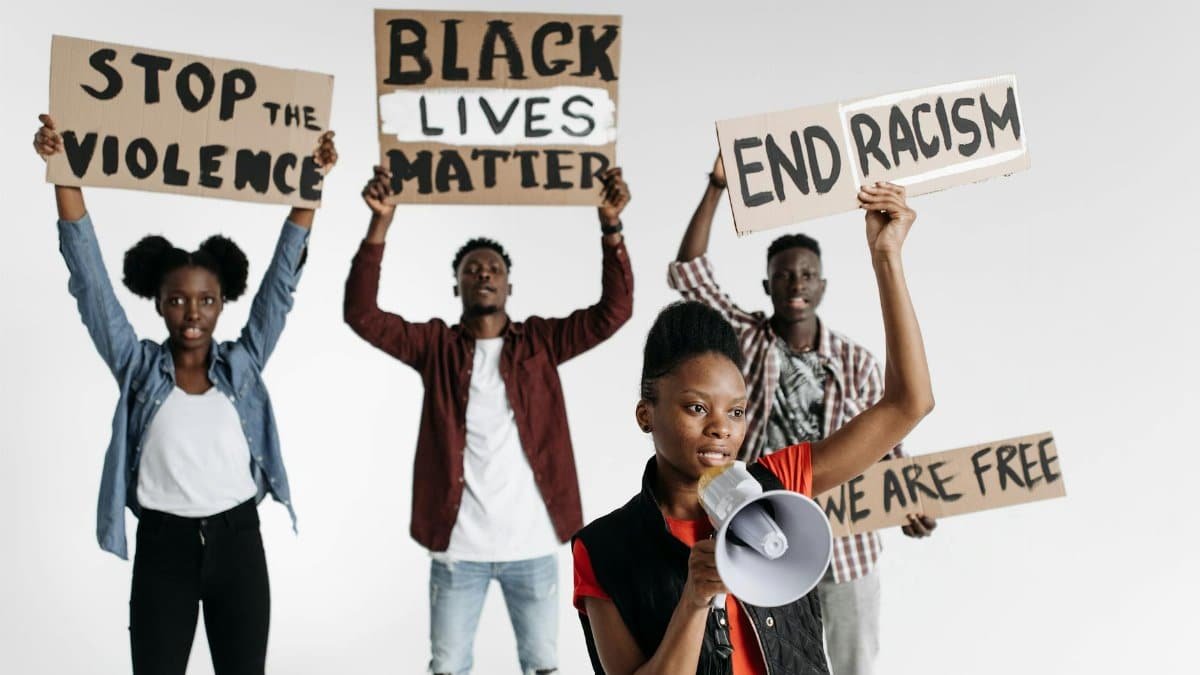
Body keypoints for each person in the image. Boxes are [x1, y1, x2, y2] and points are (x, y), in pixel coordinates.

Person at [574, 182, 934, 674]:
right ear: (646, 415)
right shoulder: (603, 549)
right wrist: (695, 600)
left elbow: (908, 403)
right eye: (697, 409)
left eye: (737, 412)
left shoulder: (778, 484)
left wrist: (886, 256)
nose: (721, 429)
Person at [34, 113, 337, 675]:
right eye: (177, 300)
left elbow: (280, 288)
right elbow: (91, 285)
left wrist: (309, 190)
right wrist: (63, 174)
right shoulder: (139, 368)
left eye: (205, 300)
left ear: (222, 303)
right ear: (158, 302)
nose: (192, 313)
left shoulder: (243, 366)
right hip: (162, 549)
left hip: (238, 543)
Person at [343, 165, 634, 674]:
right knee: (448, 667)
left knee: (543, 665)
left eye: (494, 269)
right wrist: (380, 225)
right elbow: (362, 314)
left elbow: (614, 311)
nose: (484, 275)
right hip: (458, 548)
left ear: (509, 285)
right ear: (457, 286)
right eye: (473, 270)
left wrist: (611, 229)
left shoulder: (541, 345)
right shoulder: (435, 347)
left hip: (534, 544)